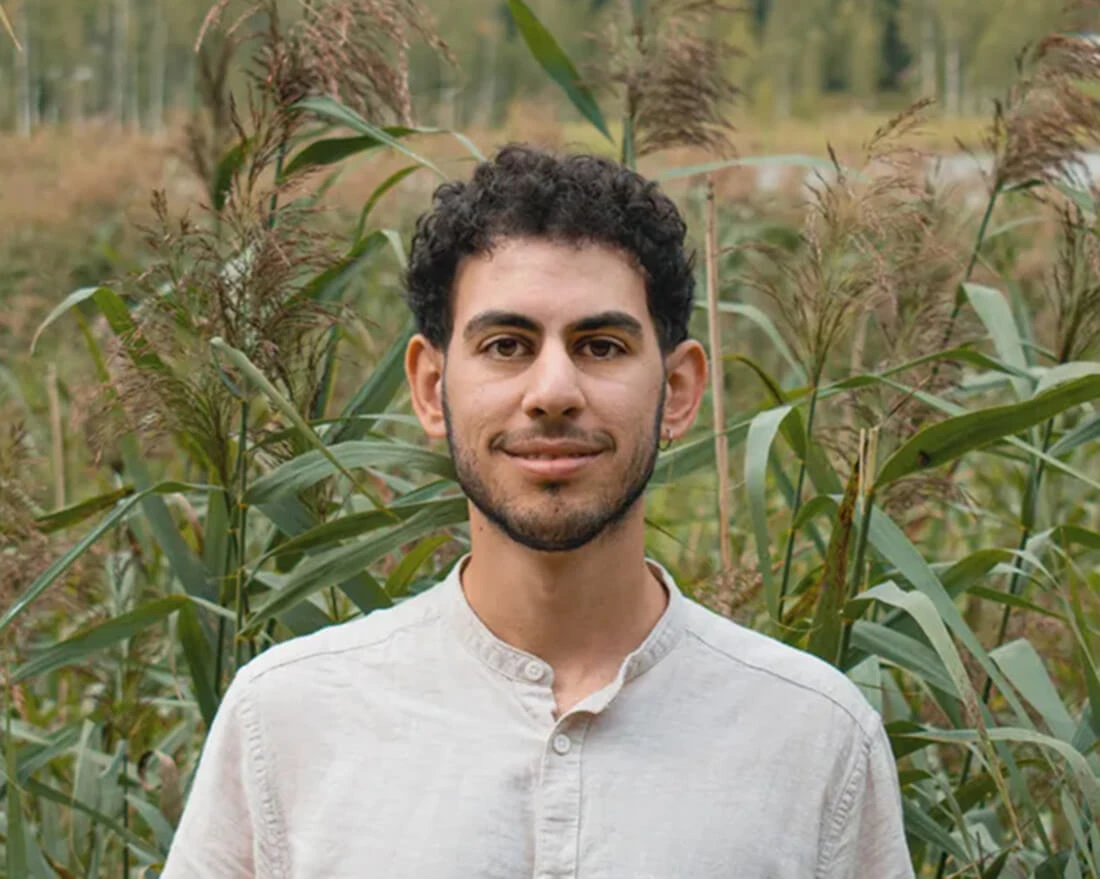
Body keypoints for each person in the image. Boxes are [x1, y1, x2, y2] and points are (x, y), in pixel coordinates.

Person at [161, 145, 914, 878]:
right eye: (506, 344)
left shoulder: (813, 739)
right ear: (430, 387)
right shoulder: (290, 720)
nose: (553, 389)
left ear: (679, 390)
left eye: (602, 346)